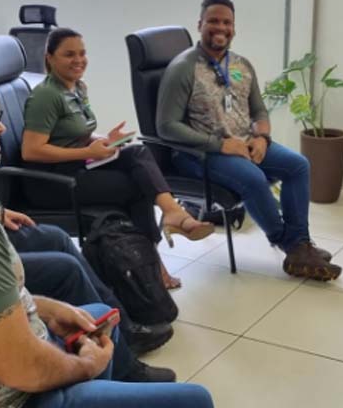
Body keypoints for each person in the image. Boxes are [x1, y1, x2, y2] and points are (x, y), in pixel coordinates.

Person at [0, 56, 214, 408]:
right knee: (195, 399)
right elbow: (23, 369)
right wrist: (85, 365)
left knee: (91, 313)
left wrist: (42, 308)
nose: (0, 128)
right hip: (8, 398)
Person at [156, 0, 342, 281]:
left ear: (234, 27)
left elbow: (259, 110)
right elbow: (166, 126)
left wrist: (262, 137)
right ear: (199, 25)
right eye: (213, 21)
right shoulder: (183, 68)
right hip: (200, 154)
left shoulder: (241, 65)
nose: (220, 27)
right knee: (253, 178)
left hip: (246, 143)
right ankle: (293, 246)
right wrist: (221, 144)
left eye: (226, 22)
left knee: (298, 165)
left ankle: (301, 243)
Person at [21, 27, 213, 289]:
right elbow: (31, 150)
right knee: (138, 185)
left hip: (76, 167)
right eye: (69, 55)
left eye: (82, 53)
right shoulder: (46, 96)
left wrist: (102, 140)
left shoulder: (78, 87)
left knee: (136, 153)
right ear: (50, 58)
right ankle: (158, 253)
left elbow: (73, 134)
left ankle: (167, 223)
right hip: (52, 182)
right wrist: (88, 152)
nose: (78, 60)